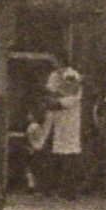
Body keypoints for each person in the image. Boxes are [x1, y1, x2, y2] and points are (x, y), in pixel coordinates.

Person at [43, 61, 84, 199]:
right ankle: (52, 189)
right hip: (55, 120)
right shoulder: (54, 75)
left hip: (69, 120)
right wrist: (52, 100)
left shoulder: (73, 75)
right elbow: (48, 95)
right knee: (54, 155)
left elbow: (71, 97)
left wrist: (56, 100)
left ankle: (69, 191)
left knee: (69, 156)